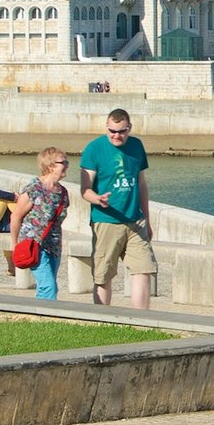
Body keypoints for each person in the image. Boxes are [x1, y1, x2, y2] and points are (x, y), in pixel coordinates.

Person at [78, 107, 155, 309]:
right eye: (112, 131)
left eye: (121, 131)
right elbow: (85, 189)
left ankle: (142, 321)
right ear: (106, 127)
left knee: (143, 270)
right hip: (106, 220)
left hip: (135, 220)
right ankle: (103, 320)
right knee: (103, 275)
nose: (116, 135)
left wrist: (147, 219)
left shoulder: (137, 146)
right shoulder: (94, 149)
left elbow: (142, 183)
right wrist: (98, 199)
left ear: (129, 128)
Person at [12, 147, 70, 300]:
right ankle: (46, 319)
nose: (67, 165)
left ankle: (37, 316)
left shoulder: (62, 193)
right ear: (51, 166)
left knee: (49, 286)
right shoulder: (34, 189)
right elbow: (16, 217)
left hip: (54, 246)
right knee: (48, 286)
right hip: (34, 245)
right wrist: (15, 244)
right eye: (63, 162)